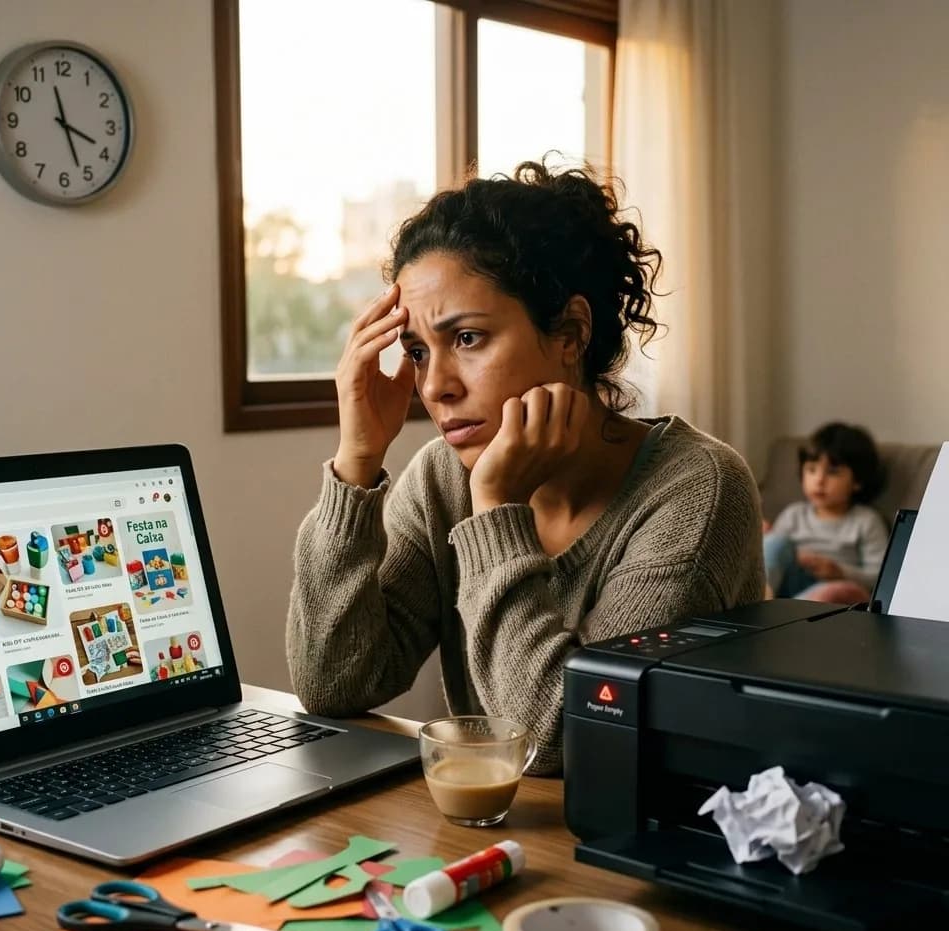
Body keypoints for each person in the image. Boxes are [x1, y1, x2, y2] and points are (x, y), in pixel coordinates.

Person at [286, 159, 764, 775]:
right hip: (498, 842)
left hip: (654, 847)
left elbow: (563, 739)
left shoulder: (697, 490)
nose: (435, 387)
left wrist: (496, 509)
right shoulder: (440, 478)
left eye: (467, 339)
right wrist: (355, 466)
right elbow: (333, 684)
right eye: (416, 352)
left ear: (569, 334)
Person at [763, 422, 888, 602]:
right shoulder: (794, 514)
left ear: (857, 481)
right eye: (811, 470)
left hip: (829, 588)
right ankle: (761, 601)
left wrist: (839, 572)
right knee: (775, 541)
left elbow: (881, 577)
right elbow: (773, 558)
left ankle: (784, 614)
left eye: (833, 472)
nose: (819, 480)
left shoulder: (866, 521)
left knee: (839, 591)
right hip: (786, 582)